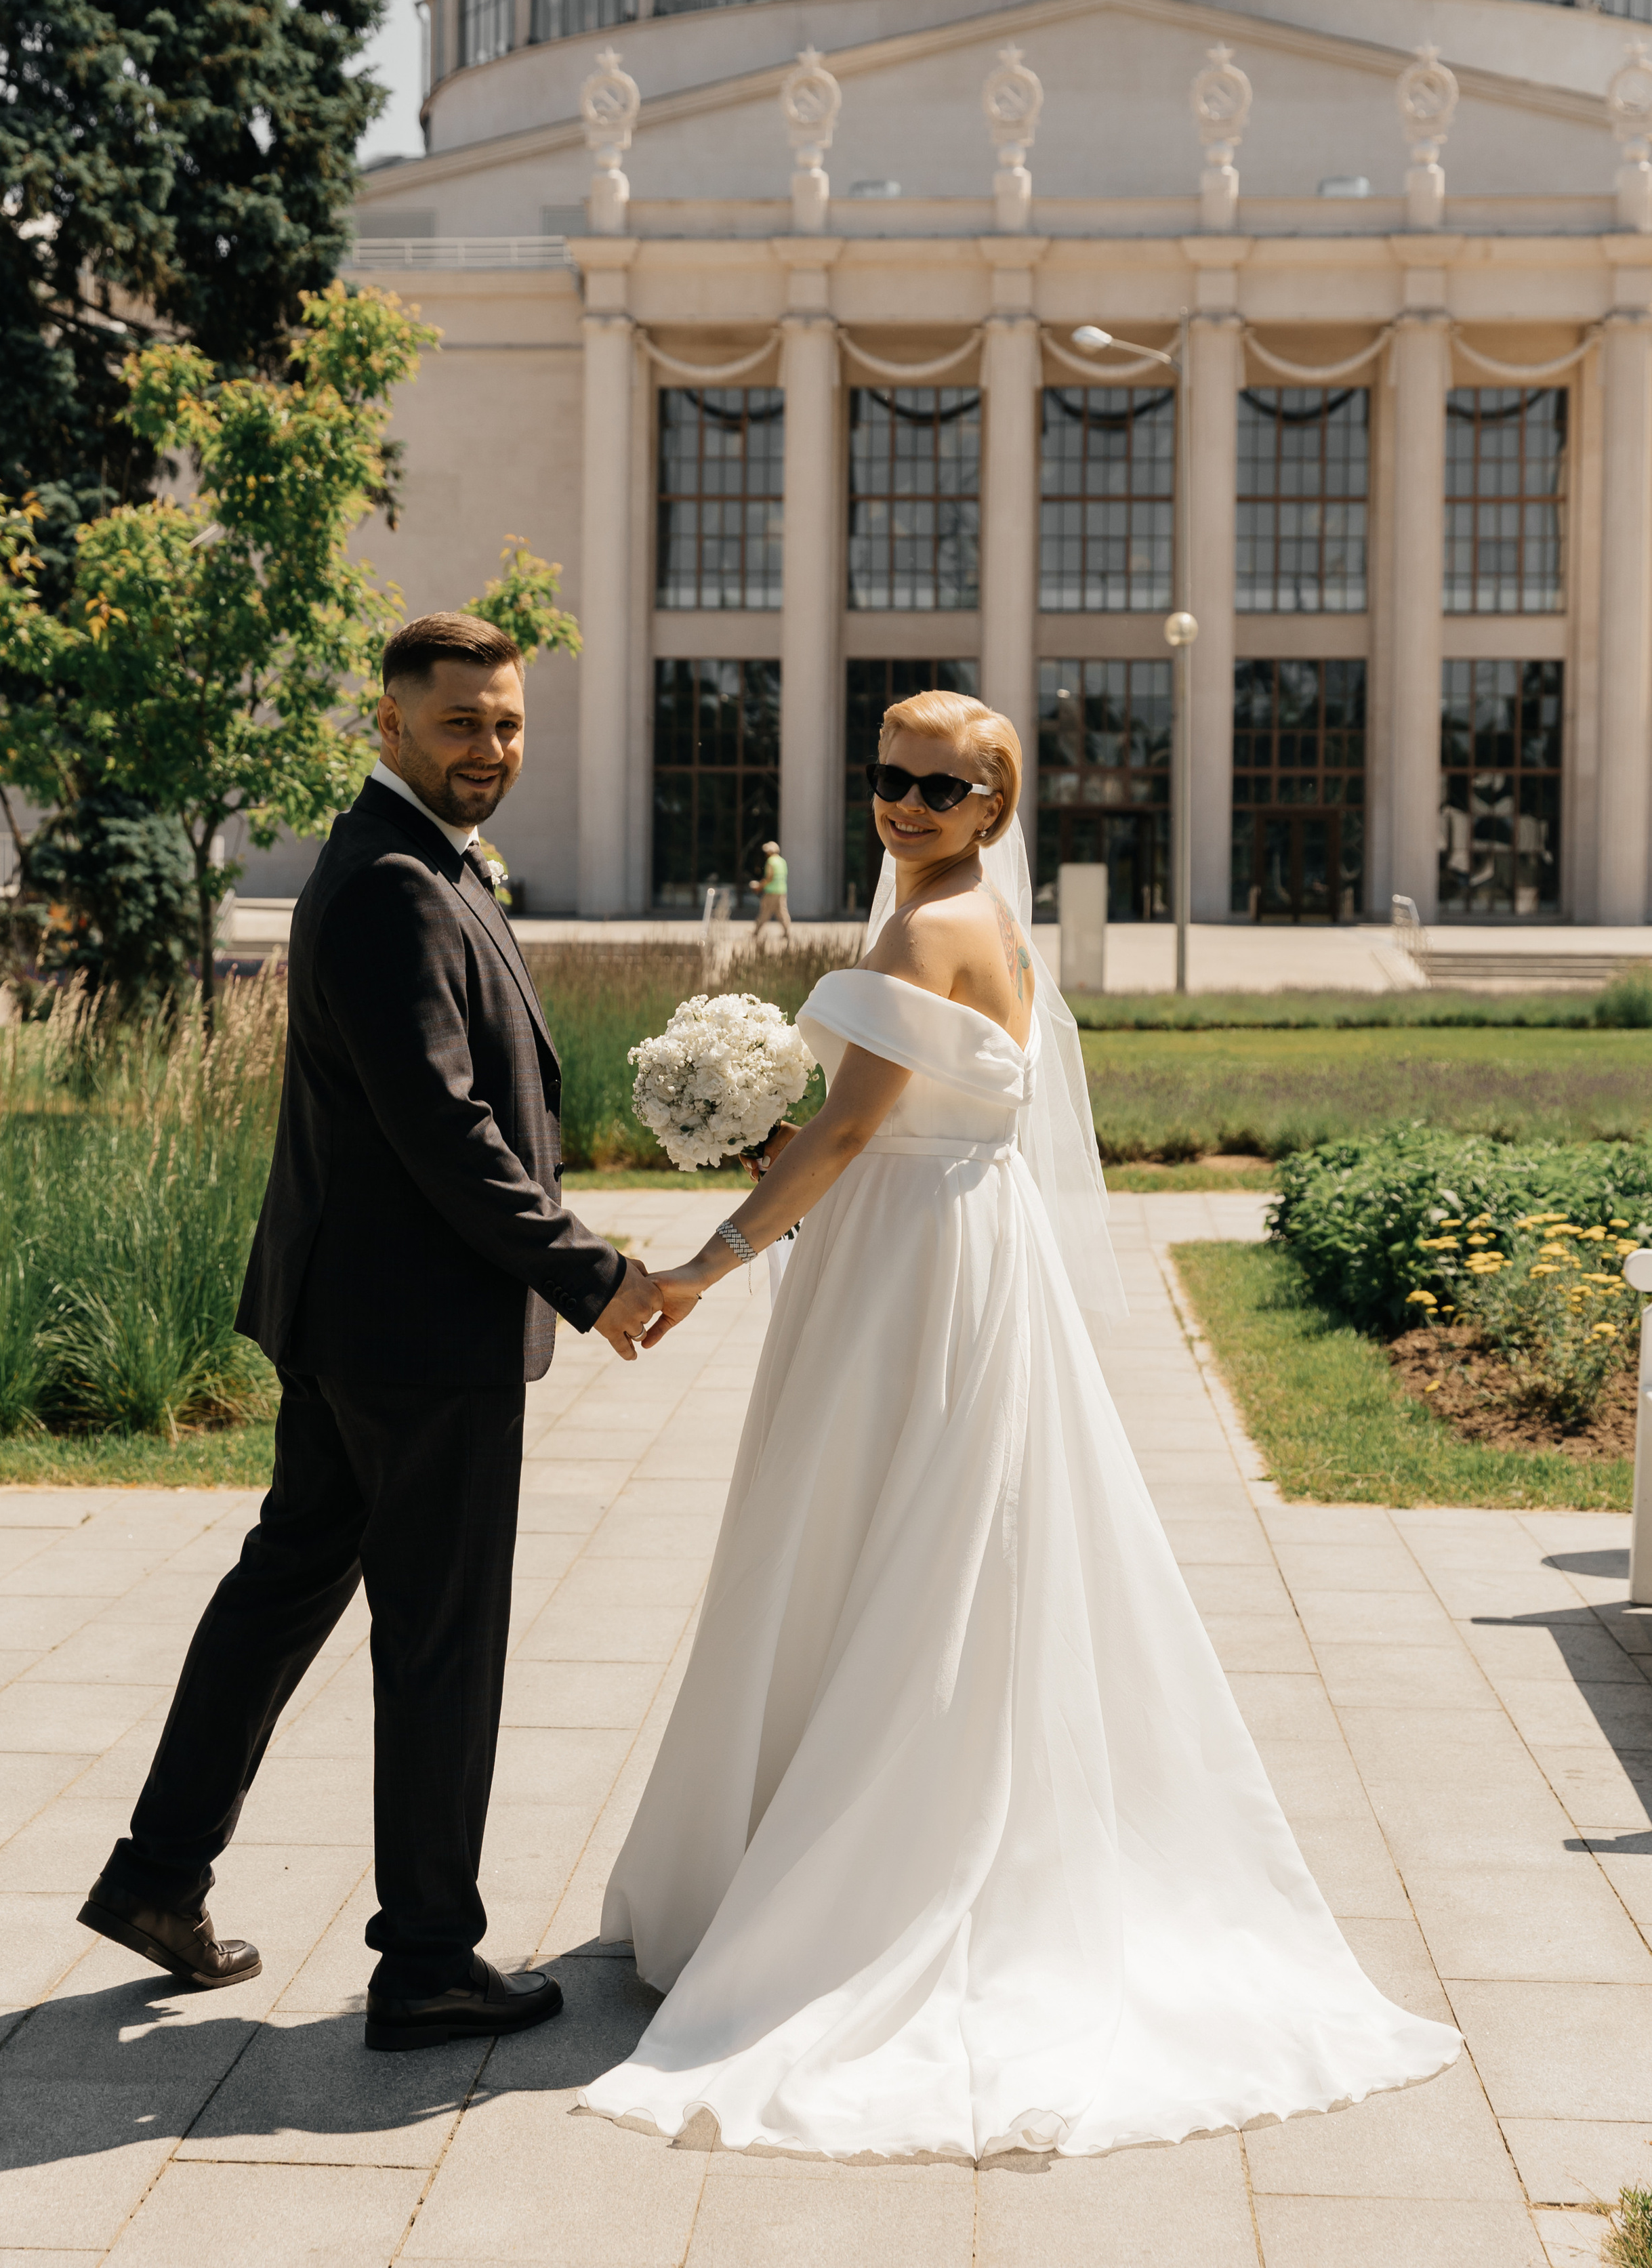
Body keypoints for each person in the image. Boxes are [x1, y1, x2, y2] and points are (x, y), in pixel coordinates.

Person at [578, 688, 1460, 2161]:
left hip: (909, 1267)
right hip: (944, 1245)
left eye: (944, 785)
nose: (908, 805)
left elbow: (860, 1131)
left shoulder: (929, 928)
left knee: (881, 1535)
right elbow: (896, 1118)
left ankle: (871, 1878)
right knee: (920, 1534)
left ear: (994, 806)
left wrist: (703, 1262)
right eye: (890, 778)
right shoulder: (972, 916)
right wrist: (783, 1151)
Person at [79, 612, 677, 2053]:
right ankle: (428, 1961)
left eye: (509, 722)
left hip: (360, 1319)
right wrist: (585, 1274)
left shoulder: (412, 867)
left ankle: (160, 1875)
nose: (492, 747)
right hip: (416, 1337)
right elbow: (440, 1130)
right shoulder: (390, 885)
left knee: (286, 1585)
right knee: (438, 1641)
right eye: (462, 721)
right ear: (390, 725)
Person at [748, 840, 791, 946]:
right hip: (782, 891)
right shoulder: (782, 861)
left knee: (765, 912)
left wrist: (759, 886)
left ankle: (756, 932)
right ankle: (787, 932)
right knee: (782, 912)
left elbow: (769, 878)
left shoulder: (771, 861)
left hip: (771, 892)